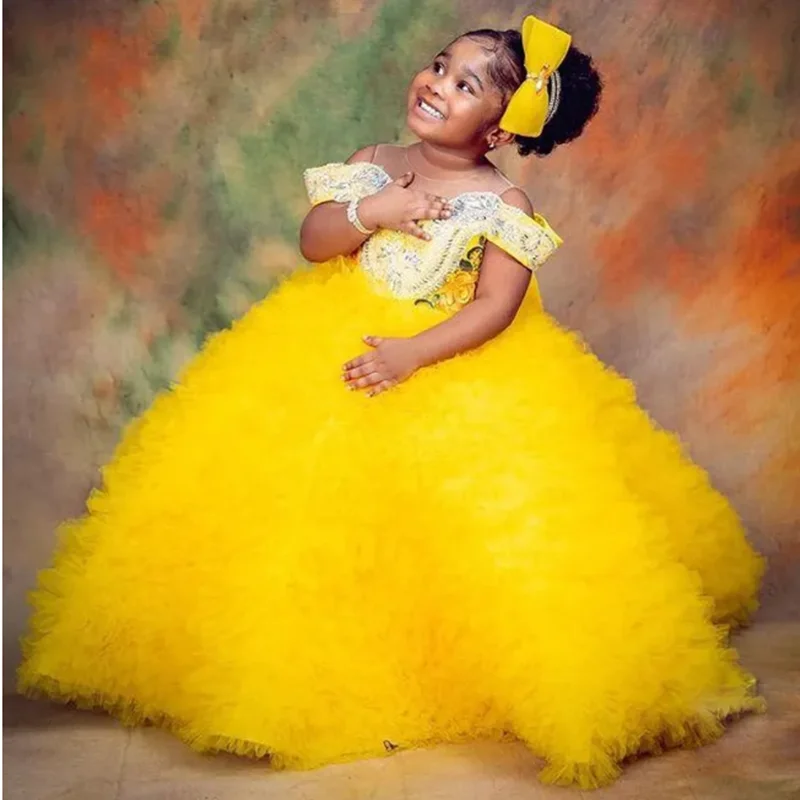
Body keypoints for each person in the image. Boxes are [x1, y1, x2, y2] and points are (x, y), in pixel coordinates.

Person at [18, 15, 764, 789]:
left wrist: (414, 354)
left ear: (502, 129)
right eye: (439, 66)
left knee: (477, 524)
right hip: (330, 348)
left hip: (446, 366)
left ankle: (437, 667)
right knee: (304, 506)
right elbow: (315, 241)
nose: (437, 84)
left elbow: (495, 308)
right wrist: (369, 213)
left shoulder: (504, 205)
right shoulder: (375, 164)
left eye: (466, 84)